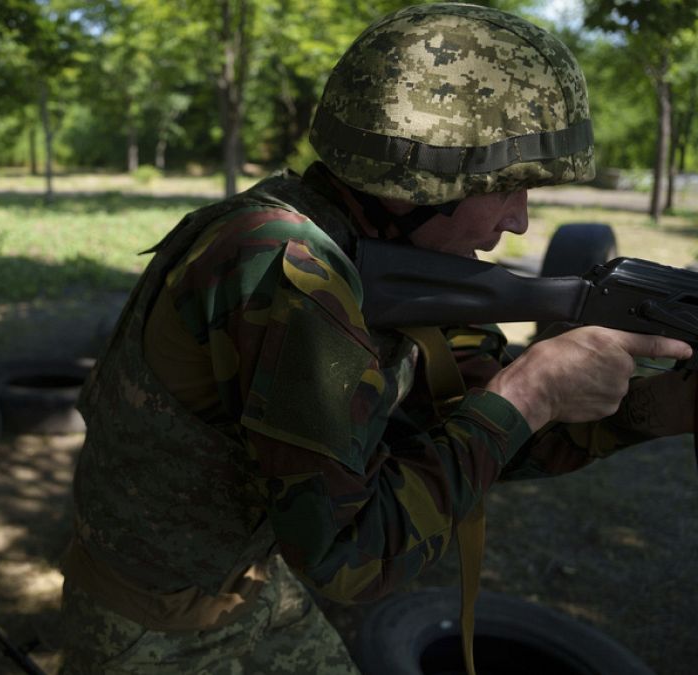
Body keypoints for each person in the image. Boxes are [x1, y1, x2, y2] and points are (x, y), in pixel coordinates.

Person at [58, 4, 696, 673]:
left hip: (249, 584)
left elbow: (474, 435)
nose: (521, 222)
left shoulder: (388, 254)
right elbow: (352, 557)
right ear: (421, 179)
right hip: (148, 621)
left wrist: (660, 407)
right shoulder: (287, 271)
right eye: (509, 187)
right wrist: (530, 388)